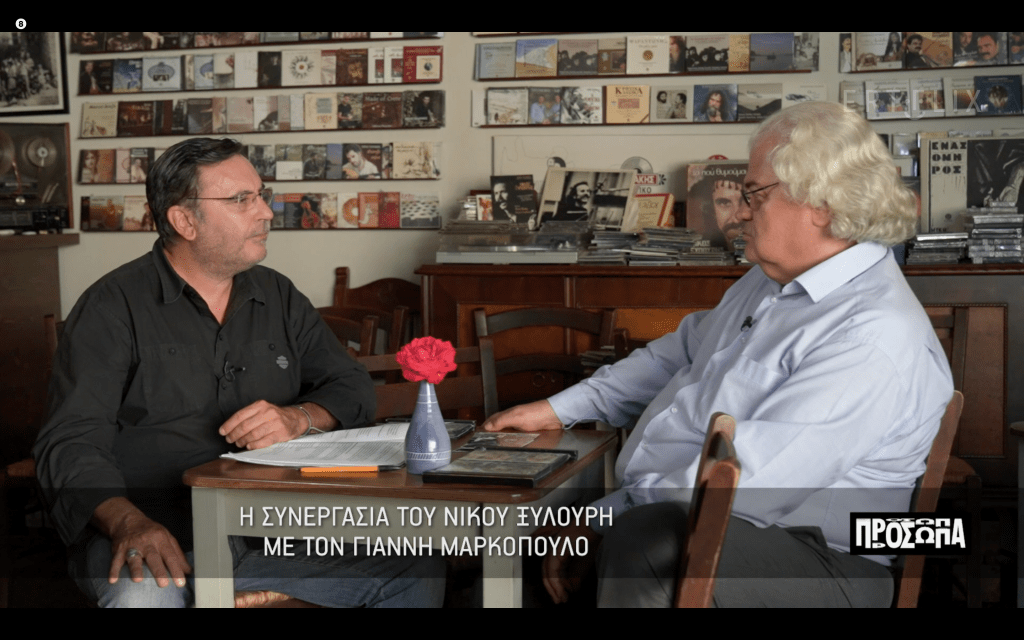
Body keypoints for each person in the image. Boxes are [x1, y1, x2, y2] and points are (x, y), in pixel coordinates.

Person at [482, 102, 953, 608]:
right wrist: (558, 409)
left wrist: (603, 518)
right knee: (534, 537)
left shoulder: (871, 333)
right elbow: (678, 352)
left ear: (820, 202)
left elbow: (749, 483)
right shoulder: (767, 281)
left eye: (755, 194)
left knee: (648, 543)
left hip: (827, 558)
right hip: (701, 516)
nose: (740, 212)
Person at [34, 138, 443, 608]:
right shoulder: (110, 307)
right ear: (184, 221)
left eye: (261, 195)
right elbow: (69, 442)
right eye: (241, 199)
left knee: (417, 568)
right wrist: (128, 522)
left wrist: (300, 418)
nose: (266, 212)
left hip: (268, 532)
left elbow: (352, 386)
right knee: (143, 595)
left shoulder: (279, 296)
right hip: (155, 533)